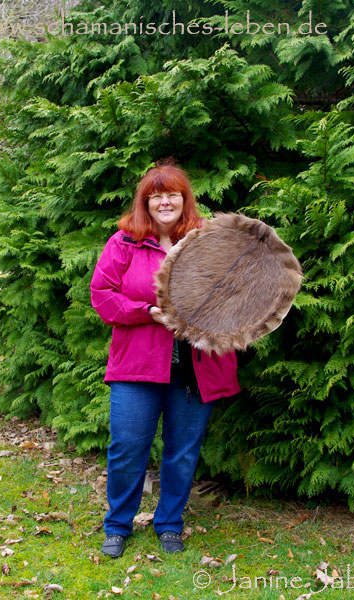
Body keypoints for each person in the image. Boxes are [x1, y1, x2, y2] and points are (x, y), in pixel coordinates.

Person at [90, 159, 241, 558]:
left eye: (173, 194)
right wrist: (147, 312)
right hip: (137, 365)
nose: (165, 202)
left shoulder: (206, 241)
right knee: (127, 447)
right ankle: (118, 525)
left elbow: (235, 293)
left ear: (184, 199)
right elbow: (102, 295)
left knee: (182, 451)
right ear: (145, 203)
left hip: (196, 368)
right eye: (156, 196)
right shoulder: (124, 243)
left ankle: (170, 523)